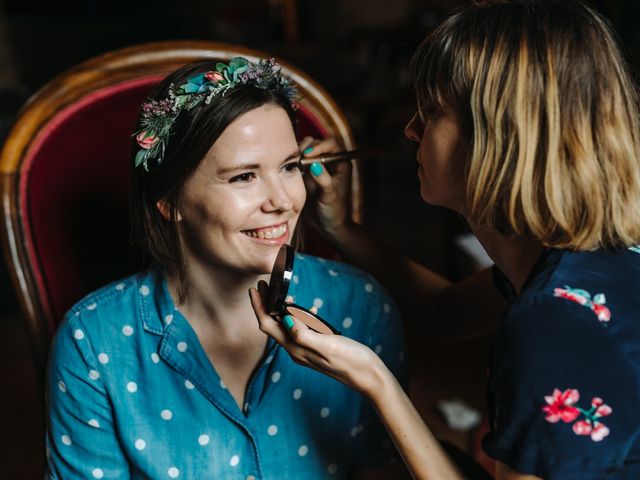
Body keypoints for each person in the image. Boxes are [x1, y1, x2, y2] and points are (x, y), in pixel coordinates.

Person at [250, 1, 640, 478]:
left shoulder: (555, 319)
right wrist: (341, 228)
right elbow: (443, 314)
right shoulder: (580, 261)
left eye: (431, 112)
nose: (411, 130)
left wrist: (375, 381)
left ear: (498, 139)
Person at [46, 57, 408, 479]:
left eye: (289, 167)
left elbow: (381, 468)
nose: (282, 201)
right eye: (243, 177)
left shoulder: (361, 306)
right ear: (170, 200)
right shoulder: (93, 341)